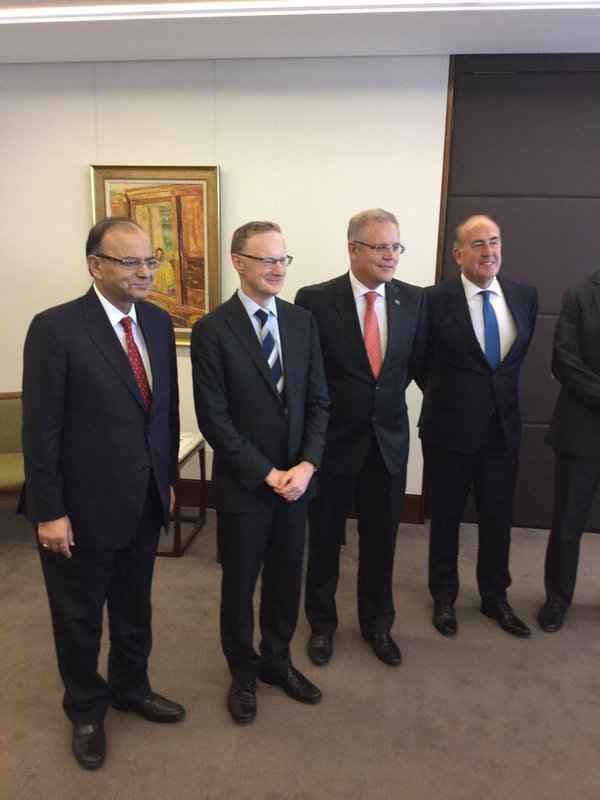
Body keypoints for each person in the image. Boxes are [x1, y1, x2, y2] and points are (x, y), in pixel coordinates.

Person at [20, 217, 184, 770]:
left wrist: (167, 480)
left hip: (143, 497)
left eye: (150, 260)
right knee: (80, 616)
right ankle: (87, 709)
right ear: (95, 265)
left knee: (135, 606)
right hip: (80, 509)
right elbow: (40, 430)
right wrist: (49, 512)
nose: (145, 272)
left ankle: (132, 687)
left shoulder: (157, 322)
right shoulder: (56, 328)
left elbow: (164, 412)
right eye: (130, 261)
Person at [191, 220, 329, 725]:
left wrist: (307, 465)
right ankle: (242, 674)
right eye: (266, 259)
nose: (277, 268)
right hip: (246, 485)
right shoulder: (213, 330)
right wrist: (269, 474)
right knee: (240, 585)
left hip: (297, 483)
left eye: (282, 259)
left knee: (287, 579)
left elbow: (319, 401)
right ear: (238, 262)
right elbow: (214, 418)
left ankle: (277, 661)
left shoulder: (301, 322)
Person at [295, 208, 426, 668]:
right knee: (324, 540)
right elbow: (308, 374)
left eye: (396, 247)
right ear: (352, 249)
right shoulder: (315, 300)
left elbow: (411, 367)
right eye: (380, 247)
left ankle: (378, 624)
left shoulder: (413, 300)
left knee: (381, 542)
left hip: (387, 442)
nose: (391, 256)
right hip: (332, 444)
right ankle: (321, 625)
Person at [419, 214, 537, 639]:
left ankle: (495, 597)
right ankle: (444, 598)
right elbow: (419, 361)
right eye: (478, 244)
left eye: (495, 241)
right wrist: (454, 398)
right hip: (448, 430)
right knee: (445, 518)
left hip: (501, 430)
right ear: (458, 254)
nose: (489, 252)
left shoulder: (524, 296)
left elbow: (510, 365)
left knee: (497, 518)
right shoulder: (433, 301)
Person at [538, 273, 600, 632]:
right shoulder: (579, 294)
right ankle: (557, 600)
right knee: (567, 525)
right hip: (582, 432)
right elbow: (564, 360)